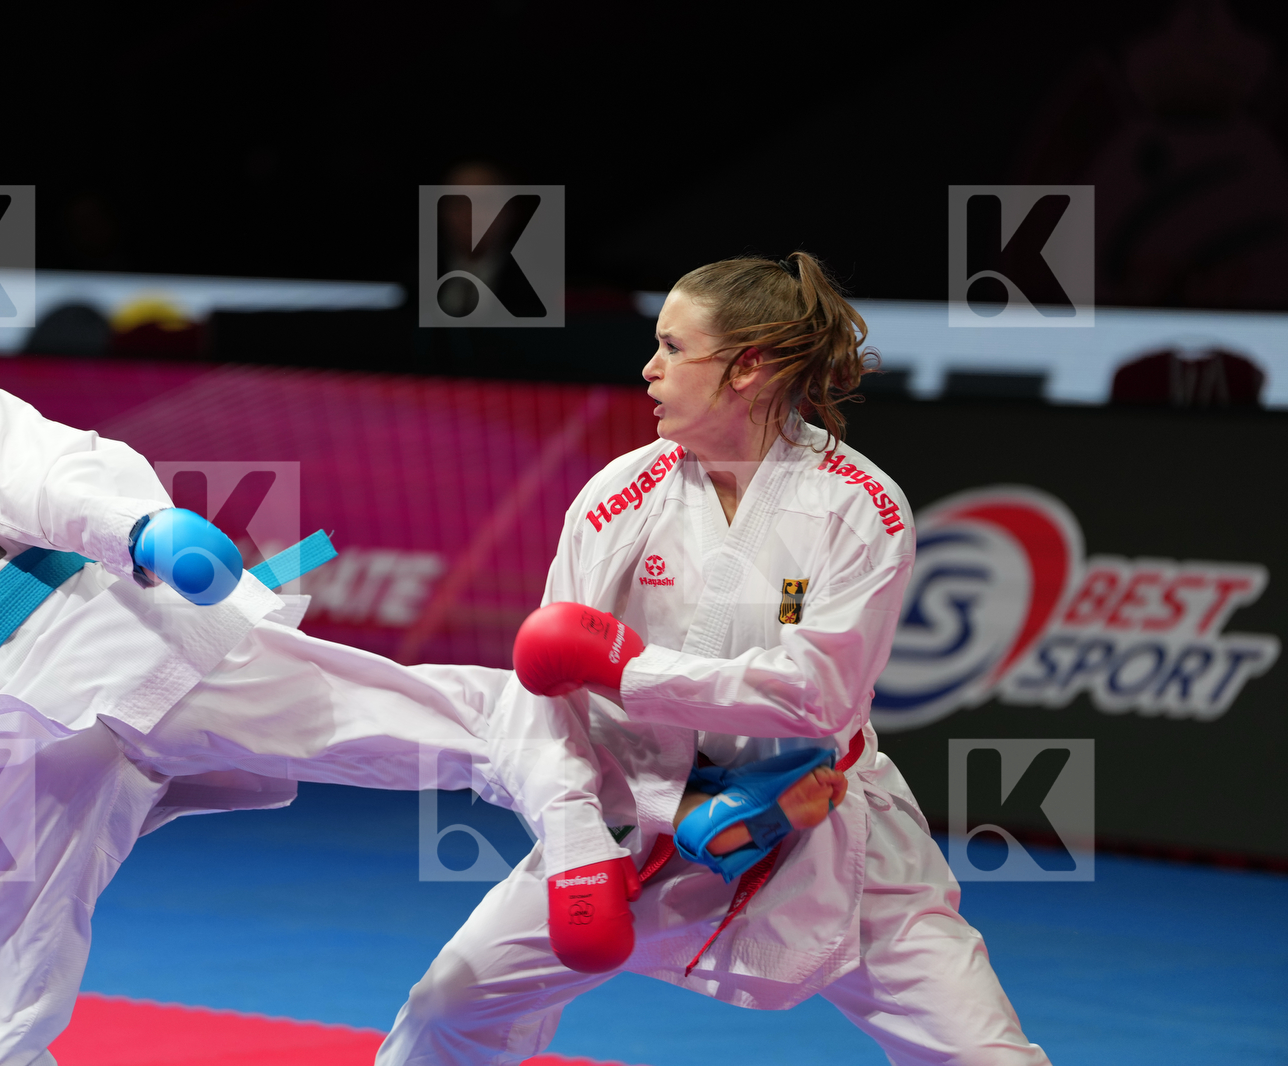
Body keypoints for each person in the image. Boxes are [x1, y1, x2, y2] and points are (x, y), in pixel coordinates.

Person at [0, 274, 732, 1065]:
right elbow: (40, 475)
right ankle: (635, 815)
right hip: (131, 655)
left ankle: (621, 822)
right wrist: (146, 529)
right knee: (465, 718)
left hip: (15, 733)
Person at [377, 254, 1051, 1065]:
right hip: (640, 820)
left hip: (821, 823)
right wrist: (573, 844)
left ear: (749, 368)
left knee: (984, 1059)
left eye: (671, 346)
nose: (648, 367)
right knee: (448, 1006)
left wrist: (627, 668)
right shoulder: (618, 497)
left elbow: (817, 697)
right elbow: (545, 705)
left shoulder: (858, 506)